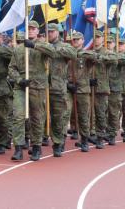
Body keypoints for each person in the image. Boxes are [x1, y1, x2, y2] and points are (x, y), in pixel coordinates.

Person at [8, 20, 54, 161]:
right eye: (28, 28)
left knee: (37, 117)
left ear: (37, 31)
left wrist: (34, 45)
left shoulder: (43, 45)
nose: (31, 30)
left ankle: (36, 146)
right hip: (21, 87)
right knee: (18, 117)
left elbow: (52, 52)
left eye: (33, 28)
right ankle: (18, 148)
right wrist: (19, 80)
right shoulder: (18, 49)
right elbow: (11, 68)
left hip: (37, 87)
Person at [46, 23, 76, 156]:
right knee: (40, 117)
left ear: (57, 32)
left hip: (58, 88)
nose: (50, 34)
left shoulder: (64, 46)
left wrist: (53, 49)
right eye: (48, 32)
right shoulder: (42, 45)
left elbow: (73, 54)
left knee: (58, 117)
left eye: (52, 32)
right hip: (42, 86)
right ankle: (38, 142)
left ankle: (58, 143)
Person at [67, 32, 97, 152]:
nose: (75, 41)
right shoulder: (68, 54)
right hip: (69, 89)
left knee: (84, 116)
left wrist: (79, 53)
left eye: (77, 39)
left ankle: (84, 140)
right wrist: (67, 84)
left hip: (82, 90)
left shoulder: (86, 54)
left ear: (83, 40)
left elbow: (95, 57)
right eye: (73, 39)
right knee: (68, 115)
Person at [91, 31, 117, 147]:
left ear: (102, 39)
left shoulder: (107, 52)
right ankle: (90, 134)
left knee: (101, 113)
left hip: (101, 88)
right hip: (88, 87)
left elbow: (114, 60)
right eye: (94, 37)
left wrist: (98, 57)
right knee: (89, 113)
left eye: (98, 37)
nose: (96, 39)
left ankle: (100, 136)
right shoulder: (88, 51)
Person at [106, 36, 122, 145]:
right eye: (106, 42)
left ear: (114, 44)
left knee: (113, 112)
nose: (108, 44)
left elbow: (123, 61)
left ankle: (112, 133)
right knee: (103, 112)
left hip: (114, 88)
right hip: (102, 86)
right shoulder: (101, 54)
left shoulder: (118, 56)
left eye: (110, 42)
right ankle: (104, 131)